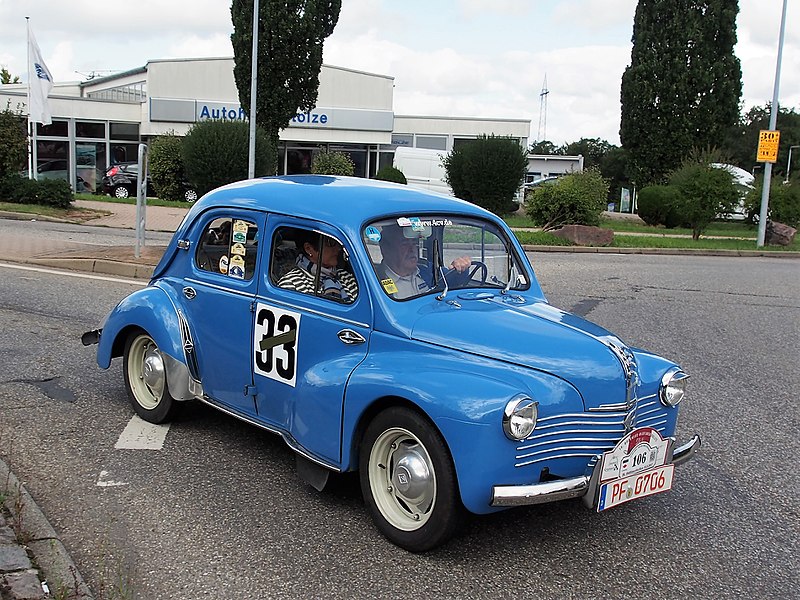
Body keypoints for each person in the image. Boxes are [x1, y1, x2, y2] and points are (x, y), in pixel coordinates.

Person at [377, 224, 471, 299]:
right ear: (386, 249)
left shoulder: (426, 269)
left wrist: (461, 267)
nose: (412, 249)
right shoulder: (377, 279)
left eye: (414, 243)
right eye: (404, 244)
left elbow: (450, 280)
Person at [277, 231, 358, 302]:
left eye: (338, 243)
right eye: (331, 243)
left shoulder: (346, 277)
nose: (338, 248)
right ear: (309, 249)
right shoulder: (291, 284)